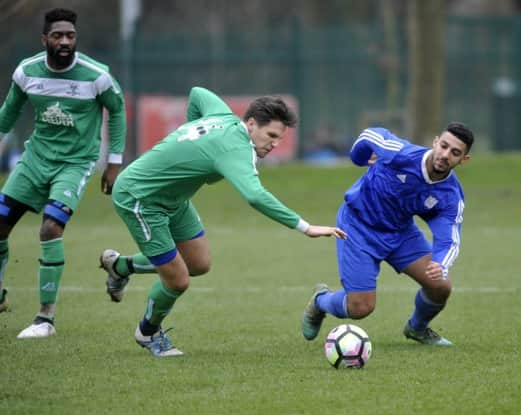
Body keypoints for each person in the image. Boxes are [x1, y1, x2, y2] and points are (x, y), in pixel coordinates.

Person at [99, 86, 346, 357]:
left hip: (175, 199)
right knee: (178, 280)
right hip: (140, 198)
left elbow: (196, 94)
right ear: (251, 124)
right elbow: (254, 196)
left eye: (279, 137)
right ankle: (147, 332)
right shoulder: (235, 148)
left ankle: (120, 266)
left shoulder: (223, 114)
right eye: (271, 135)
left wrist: (191, 134)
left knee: (199, 264)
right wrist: (306, 227)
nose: (275, 144)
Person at [0, 8, 126, 338]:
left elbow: (117, 109)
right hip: (35, 159)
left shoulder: (96, 75)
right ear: (45, 39)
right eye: (58, 35)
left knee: (51, 227)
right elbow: (7, 115)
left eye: (70, 35)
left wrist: (114, 163)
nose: (65, 41)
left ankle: (45, 319)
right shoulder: (27, 72)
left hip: (75, 163)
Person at [301, 123, 474, 346]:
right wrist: (359, 158)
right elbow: (369, 134)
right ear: (435, 141)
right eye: (444, 146)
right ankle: (320, 301)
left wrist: (440, 262)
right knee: (360, 308)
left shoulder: (450, 195)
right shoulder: (400, 153)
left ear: (463, 160)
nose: (445, 155)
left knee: (440, 286)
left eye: (455, 152)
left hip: (400, 232)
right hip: (357, 226)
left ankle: (417, 328)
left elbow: (449, 237)